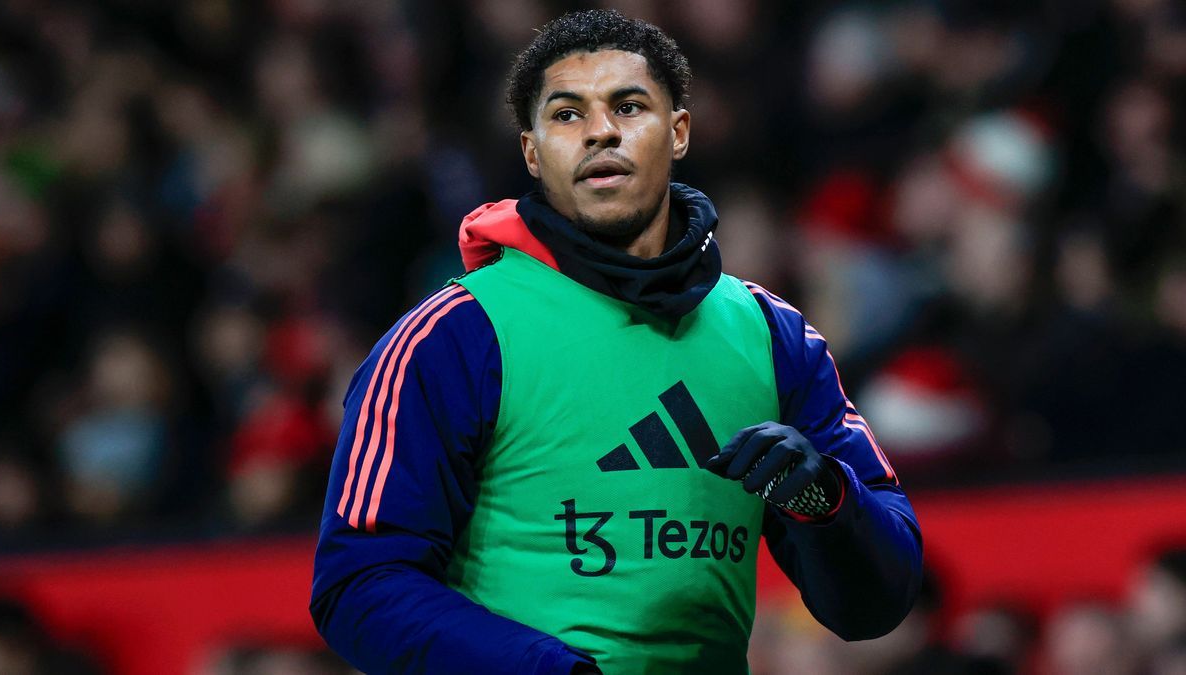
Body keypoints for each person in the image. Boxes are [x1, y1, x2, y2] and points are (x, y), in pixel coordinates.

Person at [310, 9, 922, 674]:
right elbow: (359, 585)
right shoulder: (453, 336)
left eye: (628, 106)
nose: (601, 130)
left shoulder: (773, 335)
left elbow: (878, 604)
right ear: (532, 151)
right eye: (567, 114)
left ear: (679, 131)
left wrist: (828, 502)